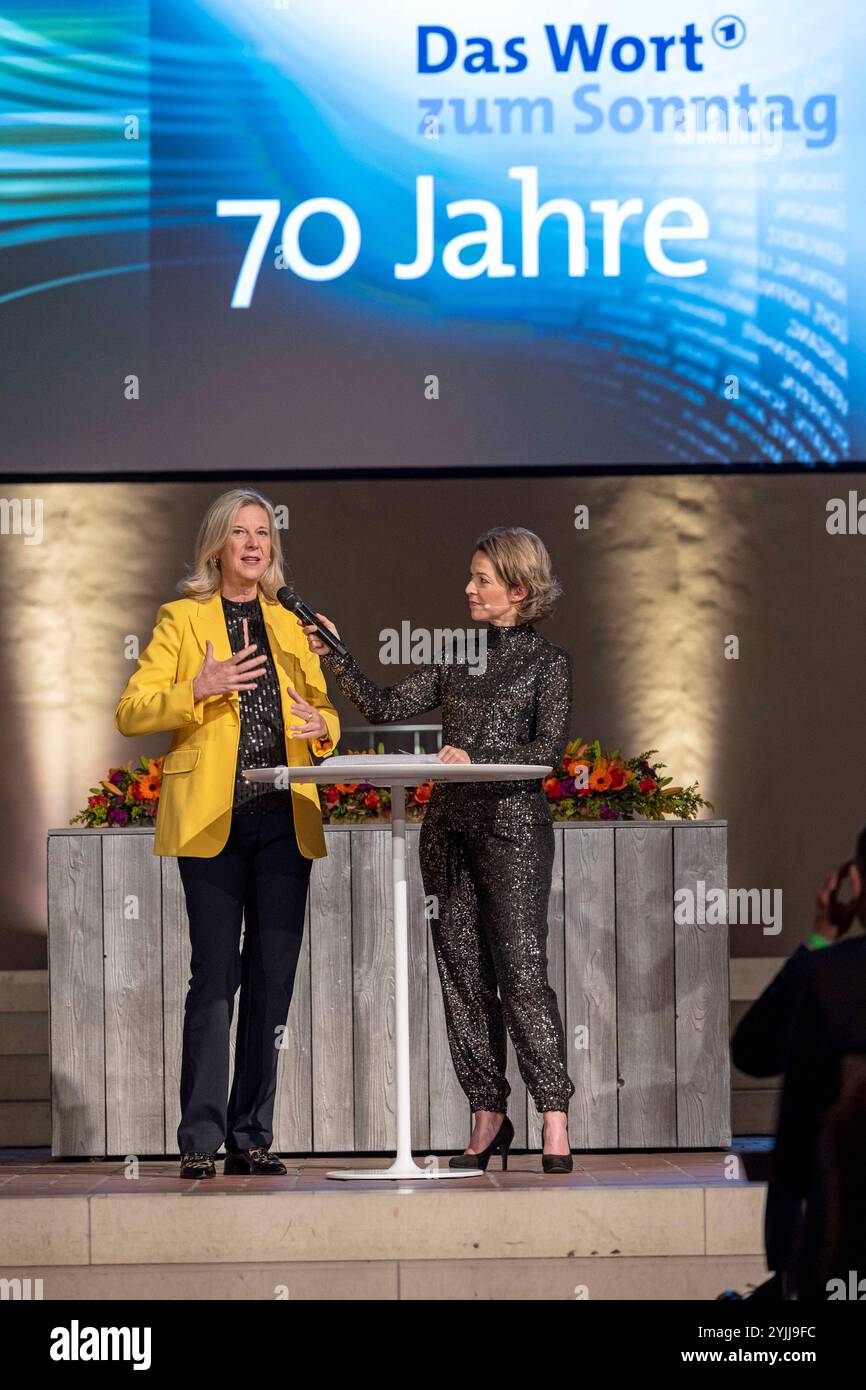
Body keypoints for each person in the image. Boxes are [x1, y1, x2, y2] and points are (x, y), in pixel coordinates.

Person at [300, 526, 576, 1173]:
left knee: (523, 975)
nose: (469, 589)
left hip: (512, 833)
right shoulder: (458, 657)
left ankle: (555, 1116)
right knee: (463, 978)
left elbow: (545, 754)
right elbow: (385, 703)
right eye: (471, 577)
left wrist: (475, 757)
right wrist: (333, 651)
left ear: (519, 589)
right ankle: (488, 1114)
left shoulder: (548, 665)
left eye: (481, 579)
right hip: (448, 831)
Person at [115, 488, 339, 1179]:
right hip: (212, 823)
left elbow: (324, 717)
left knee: (272, 980)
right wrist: (199, 685)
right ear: (217, 545)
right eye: (239, 533)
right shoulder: (182, 618)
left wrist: (319, 729)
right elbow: (132, 710)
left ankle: (252, 1134)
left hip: (283, 821)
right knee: (216, 976)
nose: (252, 544)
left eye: (263, 534)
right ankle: (200, 1139)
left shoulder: (290, 623)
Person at [731, 832, 866, 1297]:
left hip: (828, 1226)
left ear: (854, 884)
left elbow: (751, 1052)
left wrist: (820, 937)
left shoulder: (827, 977)